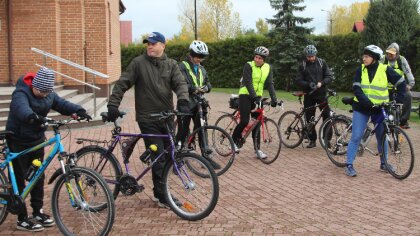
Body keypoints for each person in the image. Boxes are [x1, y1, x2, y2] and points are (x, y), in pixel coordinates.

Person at [106, 32, 189, 208]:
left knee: (168, 155)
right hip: (147, 118)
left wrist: (183, 100)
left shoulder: (171, 65)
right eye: (147, 44)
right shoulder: (138, 63)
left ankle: (161, 187)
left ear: (163, 45)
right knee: (158, 157)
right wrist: (113, 105)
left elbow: (180, 84)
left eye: (153, 43)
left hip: (166, 117)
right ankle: (161, 195)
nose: (149, 46)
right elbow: (122, 83)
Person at [6, 67, 92, 231]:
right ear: (34, 86)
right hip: (18, 140)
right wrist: (32, 116)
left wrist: (78, 110)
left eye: (47, 92)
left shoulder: (48, 93)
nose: (45, 95)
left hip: (37, 140)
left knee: (38, 177)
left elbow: (62, 104)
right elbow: (21, 108)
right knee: (18, 179)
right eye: (42, 92)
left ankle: (38, 212)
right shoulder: (21, 93)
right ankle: (22, 218)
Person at [344, 45, 406, 177]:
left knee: (382, 136)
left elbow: (401, 83)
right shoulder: (360, 70)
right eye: (364, 56)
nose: (364, 58)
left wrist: (398, 99)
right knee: (356, 136)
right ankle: (349, 164)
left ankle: (384, 164)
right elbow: (357, 90)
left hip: (379, 109)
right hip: (362, 108)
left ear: (374, 58)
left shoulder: (385, 69)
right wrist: (368, 103)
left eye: (367, 56)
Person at [175, 40, 221, 169]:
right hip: (185, 103)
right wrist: (194, 89)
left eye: (202, 57)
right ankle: (177, 159)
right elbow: (180, 84)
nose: (200, 59)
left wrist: (206, 88)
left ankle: (206, 158)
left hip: (199, 104)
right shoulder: (182, 66)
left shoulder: (201, 68)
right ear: (191, 53)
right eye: (198, 56)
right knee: (182, 132)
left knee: (202, 130)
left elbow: (208, 83)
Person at [231, 46, 278, 158]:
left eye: (259, 58)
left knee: (256, 123)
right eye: (256, 57)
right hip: (245, 95)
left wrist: (274, 99)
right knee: (245, 121)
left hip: (257, 96)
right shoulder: (249, 65)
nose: (257, 60)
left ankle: (257, 150)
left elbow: (270, 84)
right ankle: (232, 142)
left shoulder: (268, 68)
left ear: (264, 59)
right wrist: (255, 98)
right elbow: (248, 82)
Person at [295, 45, 333, 148]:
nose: (310, 58)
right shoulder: (302, 65)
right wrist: (308, 84)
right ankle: (312, 139)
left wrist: (322, 82)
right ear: (306, 56)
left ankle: (327, 140)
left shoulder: (322, 63)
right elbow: (298, 80)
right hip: (309, 95)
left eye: (312, 56)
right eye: (308, 56)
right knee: (309, 118)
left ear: (315, 55)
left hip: (321, 94)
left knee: (327, 116)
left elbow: (329, 76)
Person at [381, 42, 415, 129]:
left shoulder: (401, 60)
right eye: (388, 53)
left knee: (408, 95)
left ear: (397, 53)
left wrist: (410, 85)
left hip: (399, 88)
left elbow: (408, 73)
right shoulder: (382, 59)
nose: (389, 55)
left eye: (392, 54)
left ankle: (403, 121)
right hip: (385, 89)